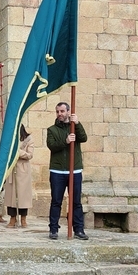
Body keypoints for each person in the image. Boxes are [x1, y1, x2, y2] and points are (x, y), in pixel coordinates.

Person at [46, 102, 89, 240]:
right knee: (56, 201)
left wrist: (77, 123)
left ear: (68, 112)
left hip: (74, 170)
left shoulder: (74, 127)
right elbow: (51, 145)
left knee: (76, 202)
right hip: (57, 171)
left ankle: (79, 230)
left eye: (62, 111)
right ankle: (53, 229)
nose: (60, 114)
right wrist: (65, 141)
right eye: (57, 111)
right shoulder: (51, 130)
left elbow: (83, 138)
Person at [4, 124, 34, 228]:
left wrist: (18, 152)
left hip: (23, 170)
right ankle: (12, 218)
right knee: (11, 196)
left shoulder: (29, 139)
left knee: (23, 196)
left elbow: (30, 155)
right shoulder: (10, 139)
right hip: (12, 169)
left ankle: (23, 218)